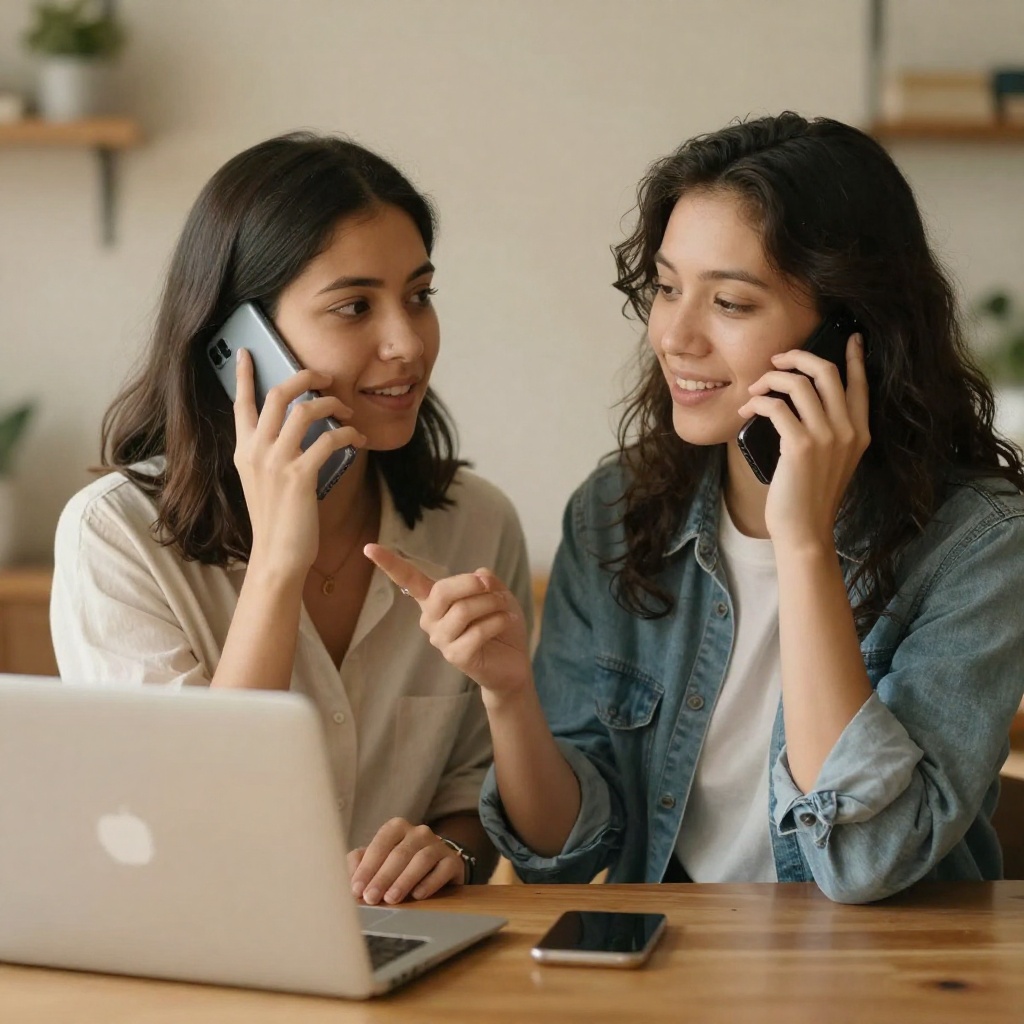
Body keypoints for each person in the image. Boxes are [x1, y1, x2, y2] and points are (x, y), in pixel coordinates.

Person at [366, 112, 1024, 904]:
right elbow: (563, 856)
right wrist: (507, 693)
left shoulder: (981, 545)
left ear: (851, 331)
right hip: (678, 966)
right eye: (668, 288)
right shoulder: (614, 510)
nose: (675, 336)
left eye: (732, 304)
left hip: (889, 975)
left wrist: (805, 544)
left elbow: (869, 859)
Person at [50, 132, 533, 905]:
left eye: (420, 295)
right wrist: (277, 561)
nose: (407, 343)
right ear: (240, 344)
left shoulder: (475, 524)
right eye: (354, 307)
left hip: (407, 958)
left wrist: (446, 850)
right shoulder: (112, 537)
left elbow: (471, 800)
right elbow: (189, 825)